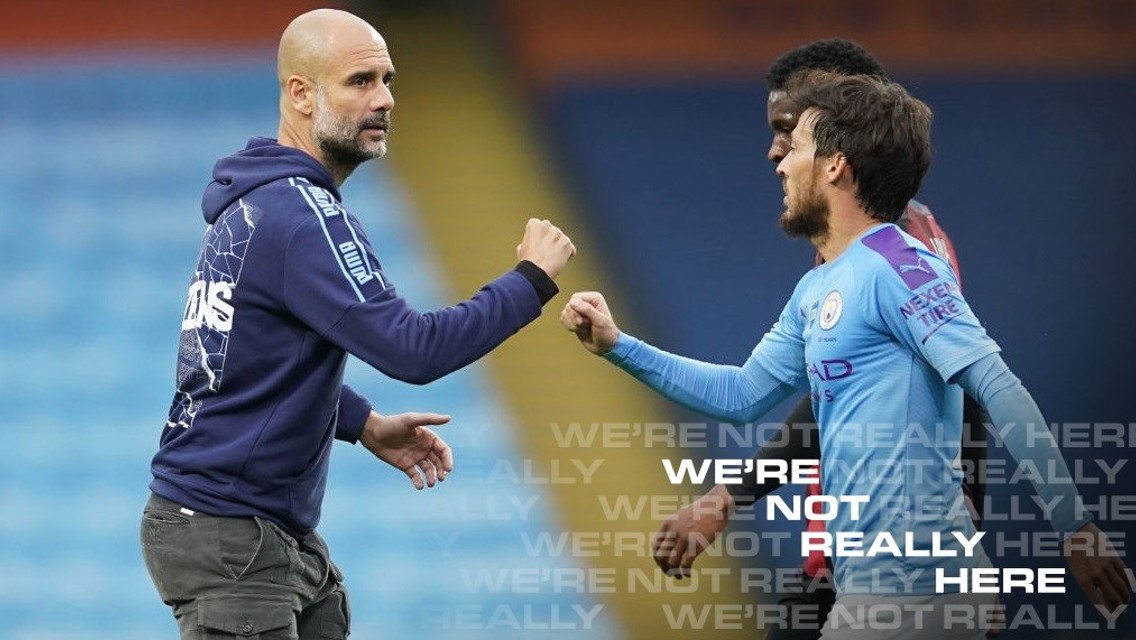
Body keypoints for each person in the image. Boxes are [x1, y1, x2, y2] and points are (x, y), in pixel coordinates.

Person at [561, 70, 1129, 638]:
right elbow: (739, 395)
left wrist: (1074, 526)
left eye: (797, 148)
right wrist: (618, 345)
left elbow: (997, 388)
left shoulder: (902, 266)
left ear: (835, 164)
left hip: (918, 593)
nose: (781, 164)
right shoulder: (816, 289)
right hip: (874, 592)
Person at [140, 8, 576, 639]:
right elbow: (414, 350)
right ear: (301, 94)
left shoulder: (256, 205)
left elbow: (246, 358)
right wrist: (530, 280)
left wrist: (362, 422)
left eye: (387, 80)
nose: (385, 99)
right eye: (361, 81)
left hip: (248, 526)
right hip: (228, 530)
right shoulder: (301, 217)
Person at [650, 39, 994, 639]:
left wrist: (726, 497)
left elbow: (964, 381)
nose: (774, 151)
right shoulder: (890, 242)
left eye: (789, 129)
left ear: (839, 135)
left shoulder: (895, 253)